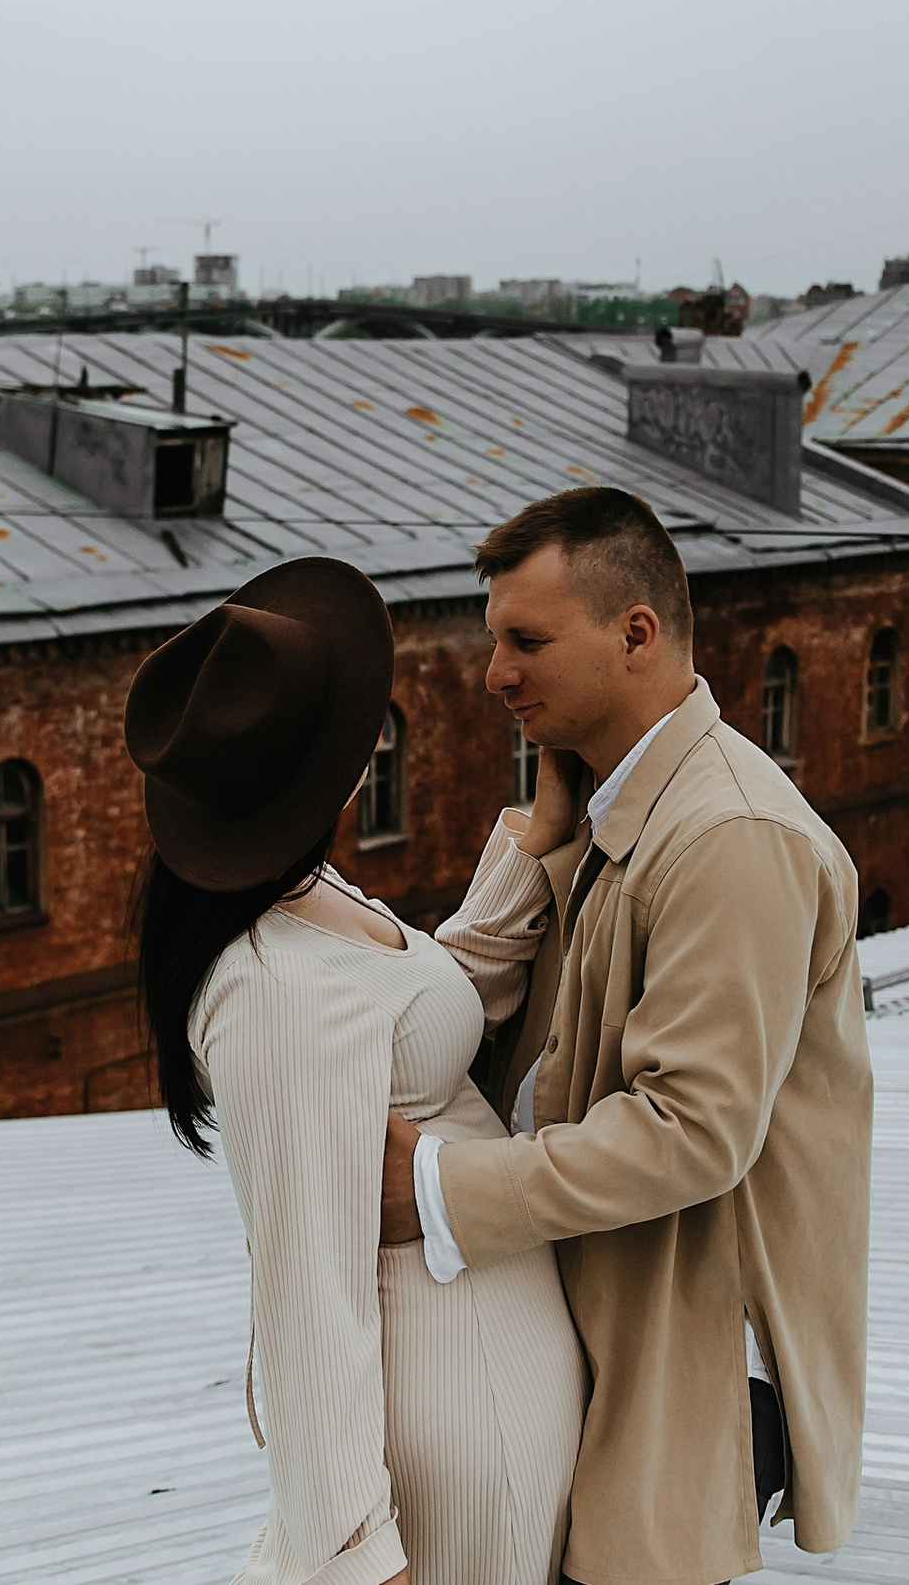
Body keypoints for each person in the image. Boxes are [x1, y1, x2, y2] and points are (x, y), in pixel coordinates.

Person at [381, 487, 872, 1585]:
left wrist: (438, 1190)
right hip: (615, 1328)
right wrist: (539, 844)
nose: (495, 672)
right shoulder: (610, 808)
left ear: (635, 634)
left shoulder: (730, 836)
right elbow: (456, 1013)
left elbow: (693, 1129)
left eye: (526, 641)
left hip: (685, 1374)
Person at [125, 556, 586, 1585]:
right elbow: (306, 1297)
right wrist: (356, 1557)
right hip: (449, 1434)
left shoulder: (305, 892)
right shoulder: (270, 986)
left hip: (488, 1396)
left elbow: (416, 1011)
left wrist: (534, 842)